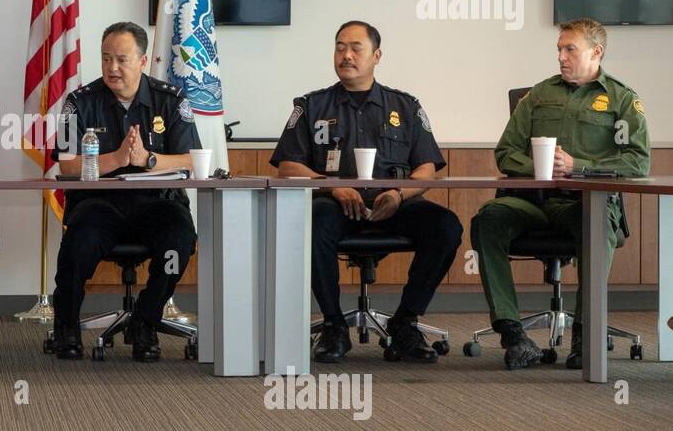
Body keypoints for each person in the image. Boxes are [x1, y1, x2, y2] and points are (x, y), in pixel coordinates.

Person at [273, 20, 462, 364]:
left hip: (393, 205)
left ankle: (405, 323)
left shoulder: (405, 106)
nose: (346, 55)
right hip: (335, 204)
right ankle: (333, 325)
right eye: (340, 47)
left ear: (376, 56)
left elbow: (427, 168)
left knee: (446, 226)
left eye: (355, 48)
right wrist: (333, 186)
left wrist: (400, 195)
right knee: (313, 223)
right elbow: (288, 166)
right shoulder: (311, 106)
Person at [471, 18, 649, 370]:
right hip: (533, 202)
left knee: (594, 225)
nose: (561, 57)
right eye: (559, 49)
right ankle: (513, 333)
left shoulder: (621, 99)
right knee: (488, 219)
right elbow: (506, 153)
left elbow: (637, 161)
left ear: (596, 52)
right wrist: (541, 168)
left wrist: (577, 166)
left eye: (571, 49)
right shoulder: (537, 95)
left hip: (585, 203)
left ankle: (585, 333)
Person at [50, 21, 200, 363]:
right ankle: (66, 326)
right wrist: (116, 159)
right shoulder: (80, 102)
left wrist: (147, 159)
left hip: (156, 204)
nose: (111, 68)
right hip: (100, 203)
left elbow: (191, 161)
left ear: (143, 61)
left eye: (121, 59)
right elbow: (67, 167)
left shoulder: (171, 100)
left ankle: (145, 320)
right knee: (79, 243)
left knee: (179, 240)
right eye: (105, 59)